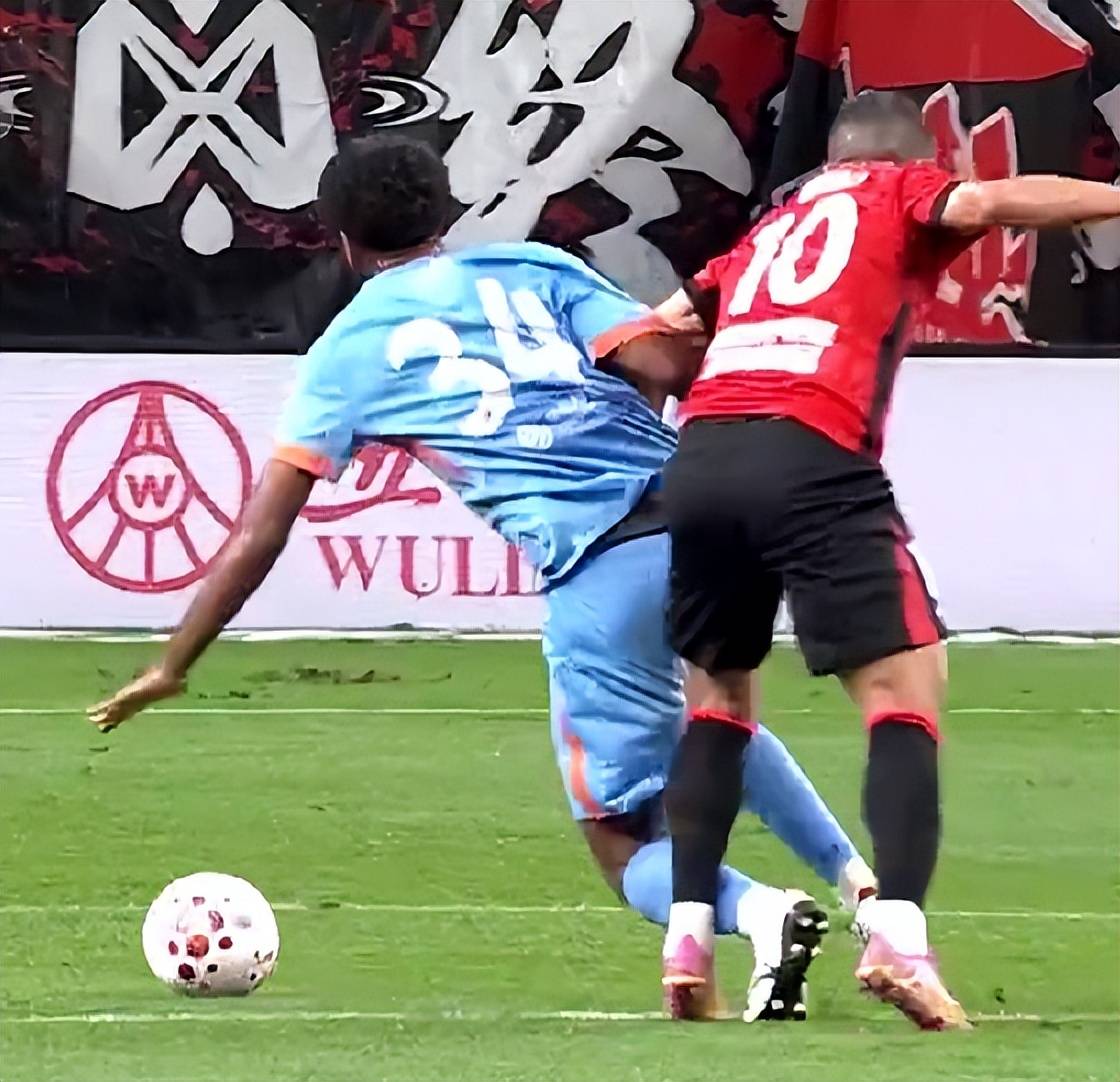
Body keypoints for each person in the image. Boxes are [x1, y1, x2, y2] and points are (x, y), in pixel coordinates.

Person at [88, 133, 877, 1021]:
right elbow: (669, 367)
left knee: (619, 842)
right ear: (446, 211)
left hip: (602, 561)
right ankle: (863, 889)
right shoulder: (536, 266)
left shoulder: (349, 351)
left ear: (342, 240)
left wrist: (173, 663)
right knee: (718, 720)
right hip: (712, 517)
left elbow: (259, 531)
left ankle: (764, 913)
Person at [617, 90, 1120, 1028]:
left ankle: (687, 940)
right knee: (903, 693)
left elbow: (651, 332)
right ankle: (899, 938)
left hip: (704, 455)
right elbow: (988, 203)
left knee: (718, 700)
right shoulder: (899, 192)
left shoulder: (766, 232)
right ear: (912, 159)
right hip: (809, 450)